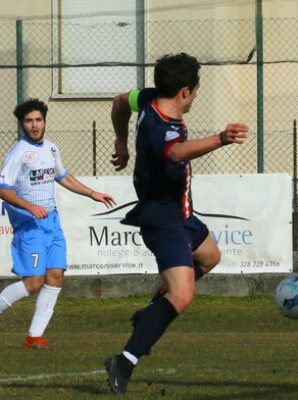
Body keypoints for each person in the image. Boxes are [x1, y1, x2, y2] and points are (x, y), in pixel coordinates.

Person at [105, 52, 249, 395]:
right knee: (182, 295)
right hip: (163, 219)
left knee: (210, 256)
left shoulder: (149, 98)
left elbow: (120, 101)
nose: (195, 96)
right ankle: (123, 360)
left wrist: (121, 142)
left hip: (181, 213)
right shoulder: (163, 127)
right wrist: (221, 138)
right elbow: (175, 153)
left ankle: (153, 313)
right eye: (196, 91)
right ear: (185, 91)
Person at [0, 99, 115, 349]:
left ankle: (34, 336)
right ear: (22, 124)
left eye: (38, 120)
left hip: (51, 222)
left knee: (55, 276)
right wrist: (29, 207)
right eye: (29, 121)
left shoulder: (51, 149)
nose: (34, 125)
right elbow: (3, 189)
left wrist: (92, 193)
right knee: (33, 282)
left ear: (44, 121)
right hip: (30, 226)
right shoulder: (18, 153)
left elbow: (63, 176)